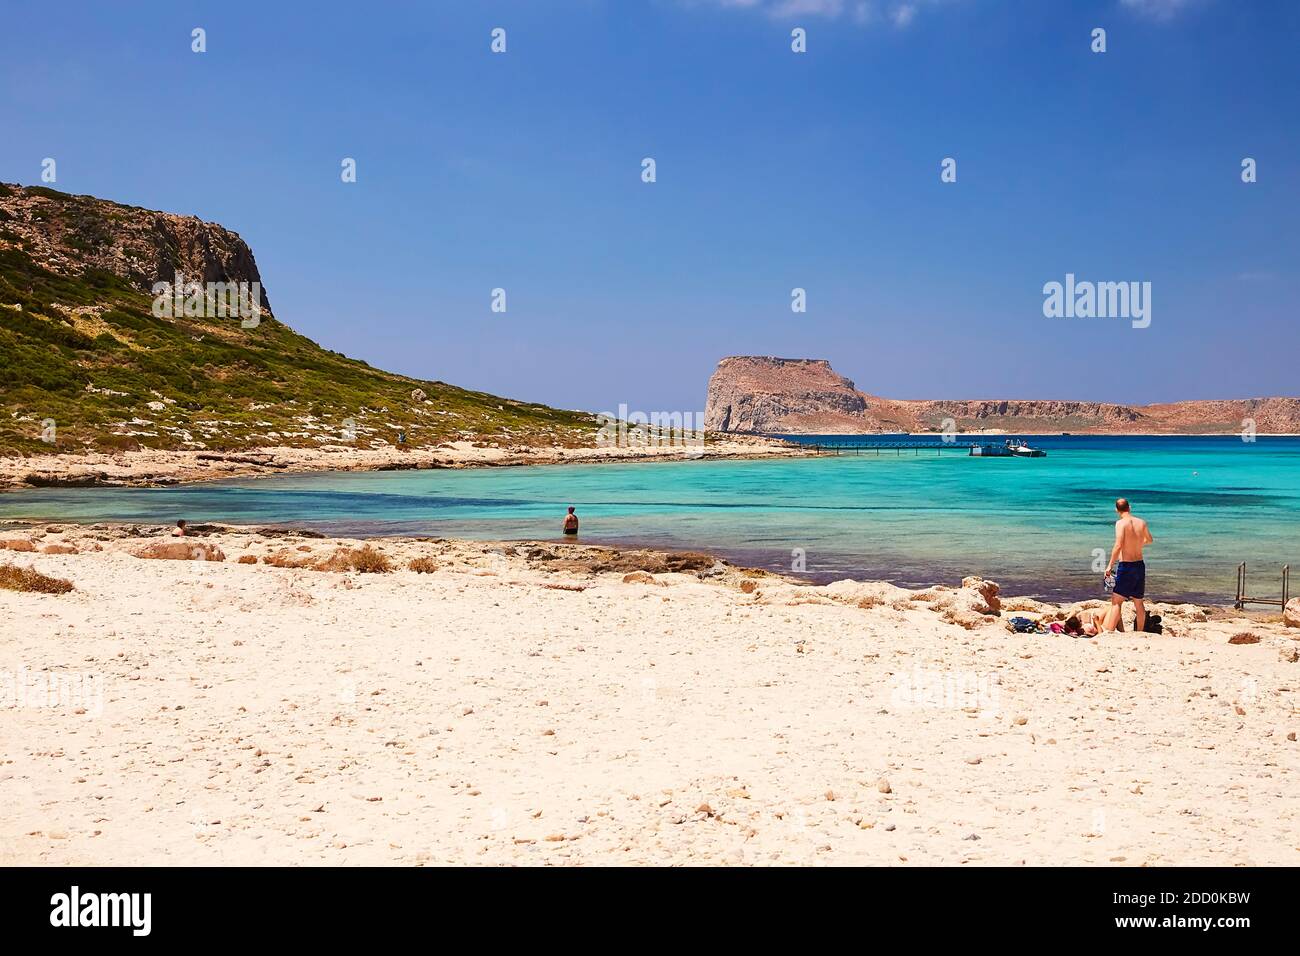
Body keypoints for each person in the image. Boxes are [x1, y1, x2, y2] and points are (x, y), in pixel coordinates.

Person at [1103, 498, 1154, 633]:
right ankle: (1140, 632)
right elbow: (1149, 540)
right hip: (1139, 565)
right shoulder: (1141, 522)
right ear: (1129, 507)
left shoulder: (1120, 523)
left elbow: (1118, 545)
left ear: (1116, 510)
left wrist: (1109, 565)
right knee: (1138, 602)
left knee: (1116, 601)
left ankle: (1109, 631)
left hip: (1126, 566)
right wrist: (1137, 544)